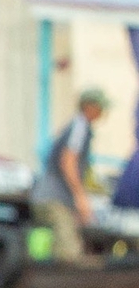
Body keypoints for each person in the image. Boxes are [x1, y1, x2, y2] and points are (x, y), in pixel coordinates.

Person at [34, 84, 108, 259]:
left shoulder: (79, 126)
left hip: (56, 198)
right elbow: (68, 162)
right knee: (69, 254)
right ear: (90, 107)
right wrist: (80, 196)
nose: (103, 112)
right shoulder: (79, 126)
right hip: (53, 198)